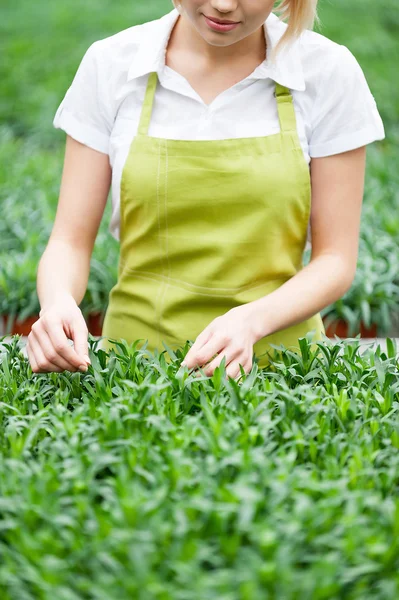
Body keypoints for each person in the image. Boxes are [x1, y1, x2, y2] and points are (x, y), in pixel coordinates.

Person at [27, 0, 385, 378]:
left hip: (286, 377)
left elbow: (336, 261)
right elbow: (69, 242)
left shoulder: (326, 72)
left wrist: (252, 321)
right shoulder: (112, 65)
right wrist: (57, 303)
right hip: (134, 374)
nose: (223, 4)